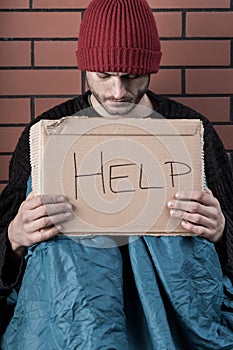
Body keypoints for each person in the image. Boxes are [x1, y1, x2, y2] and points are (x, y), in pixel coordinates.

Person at [1, 0, 233, 348]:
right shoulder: (46, 132)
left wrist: (220, 232)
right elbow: (7, 237)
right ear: (85, 68)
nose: (117, 92)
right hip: (74, 312)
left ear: (151, 68)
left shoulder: (189, 131)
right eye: (104, 75)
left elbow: (229, 227)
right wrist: (15, 237)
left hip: (173, 308)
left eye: (132, 76)